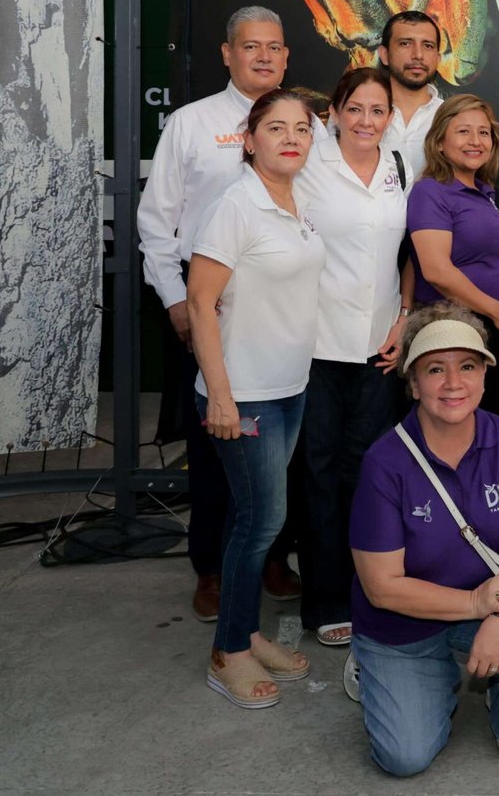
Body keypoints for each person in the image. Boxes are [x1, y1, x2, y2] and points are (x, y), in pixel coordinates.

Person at [138, 6, 306, 620]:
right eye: (250, 46)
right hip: (209, 303)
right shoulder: (192, 123)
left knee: (279, 448)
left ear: (286, 57)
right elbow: (156, 223)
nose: (263, 56)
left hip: (280, 302)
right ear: (227, 53)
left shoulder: (306, 124)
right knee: (216, 440)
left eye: (274, 47)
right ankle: (210, 567)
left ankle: (272, 557)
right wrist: (176, 300)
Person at [349, 306, 499, 772]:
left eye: (467, 366)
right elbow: (382, 587)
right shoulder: (384, 462)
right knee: (404, 758)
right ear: (413, 383)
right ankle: (391, 670)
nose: (453, 383)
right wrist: (476, 604)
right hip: (402, 624)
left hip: (492, 603)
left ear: (484, 375)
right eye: (435, 369)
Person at [186, 88, 325, 708]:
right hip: (244, 395)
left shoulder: (296, 201)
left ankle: (244, 631)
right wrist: (221, 396)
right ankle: (228, 652)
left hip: (288, 386)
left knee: (258, 517)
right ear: (249, 140)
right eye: (276, 127)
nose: (291, 137)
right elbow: (200, 303)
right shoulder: (236, 206)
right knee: (260, 520)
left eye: (302, 128)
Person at [292, 66, 415, 647]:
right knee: (317, 472)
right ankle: (324, 600)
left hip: (378, 349)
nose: (367, 120)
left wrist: (405, 316)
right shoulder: (307, 165)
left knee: (365, 471)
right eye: (356, 109)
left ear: (390, 117)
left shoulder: (398, 166)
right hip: (314, 344)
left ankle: (371, 588)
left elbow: (408, 252)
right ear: (335, 113)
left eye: (378, 110)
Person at [406, 94, 499, 428]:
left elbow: (493, 256)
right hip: (457, 334)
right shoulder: (431, 192)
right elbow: (436, 270)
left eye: (483, 132)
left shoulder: (484, 193)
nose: (475, 141)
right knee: (460, 434)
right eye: (463, 131)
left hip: (498, 332)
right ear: (440, 142)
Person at [377, 11, 444, 157]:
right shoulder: (357, 115)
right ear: (384, 55)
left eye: (428, 46)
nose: (418, 55)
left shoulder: (451, 118)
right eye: (405, 44)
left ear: (438, 59)